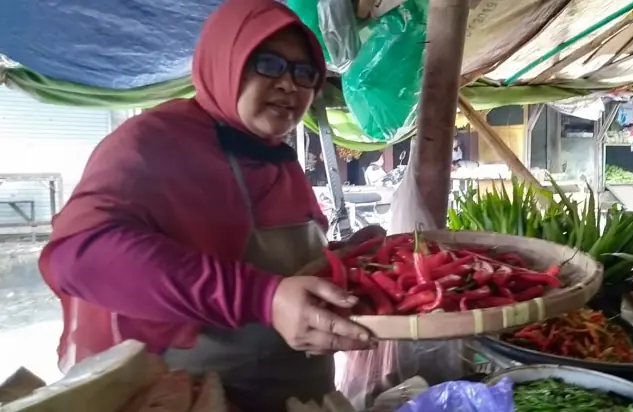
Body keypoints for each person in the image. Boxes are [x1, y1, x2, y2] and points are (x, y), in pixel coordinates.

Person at [37, 0, 384, 410]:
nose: (290, 84)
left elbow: (279, 266)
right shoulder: (152, 144)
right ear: (224, 60)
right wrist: (262, 297)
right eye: (268, 64)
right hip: (194, 397)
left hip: (299, 398)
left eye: (304, 72)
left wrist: (345, 263)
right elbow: (78, 256)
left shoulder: (279, 159)